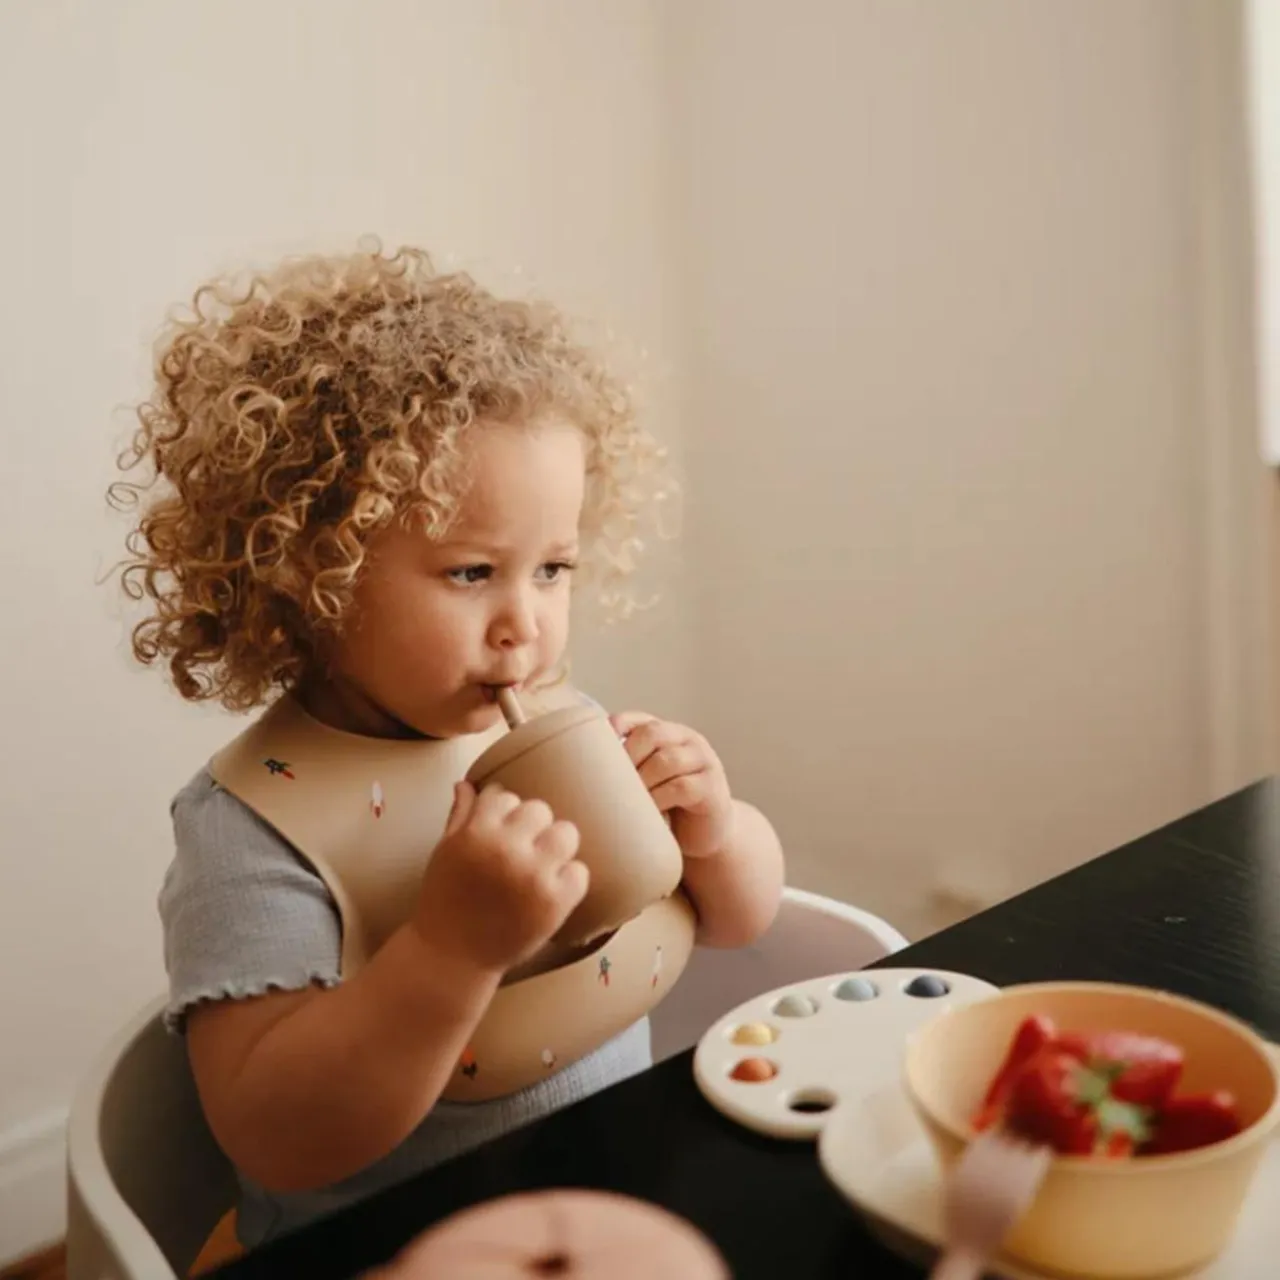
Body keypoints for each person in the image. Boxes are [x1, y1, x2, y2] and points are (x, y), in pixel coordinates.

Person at [110, 242, 785, 1249]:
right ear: (314, 569)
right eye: (472, 573)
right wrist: (450, 950)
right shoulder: (251, 831)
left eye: (552, 569)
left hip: (611, 1220)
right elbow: (280, 1134)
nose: (526, 626)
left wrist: (715, 831)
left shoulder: (558, 725)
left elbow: (739, 920)